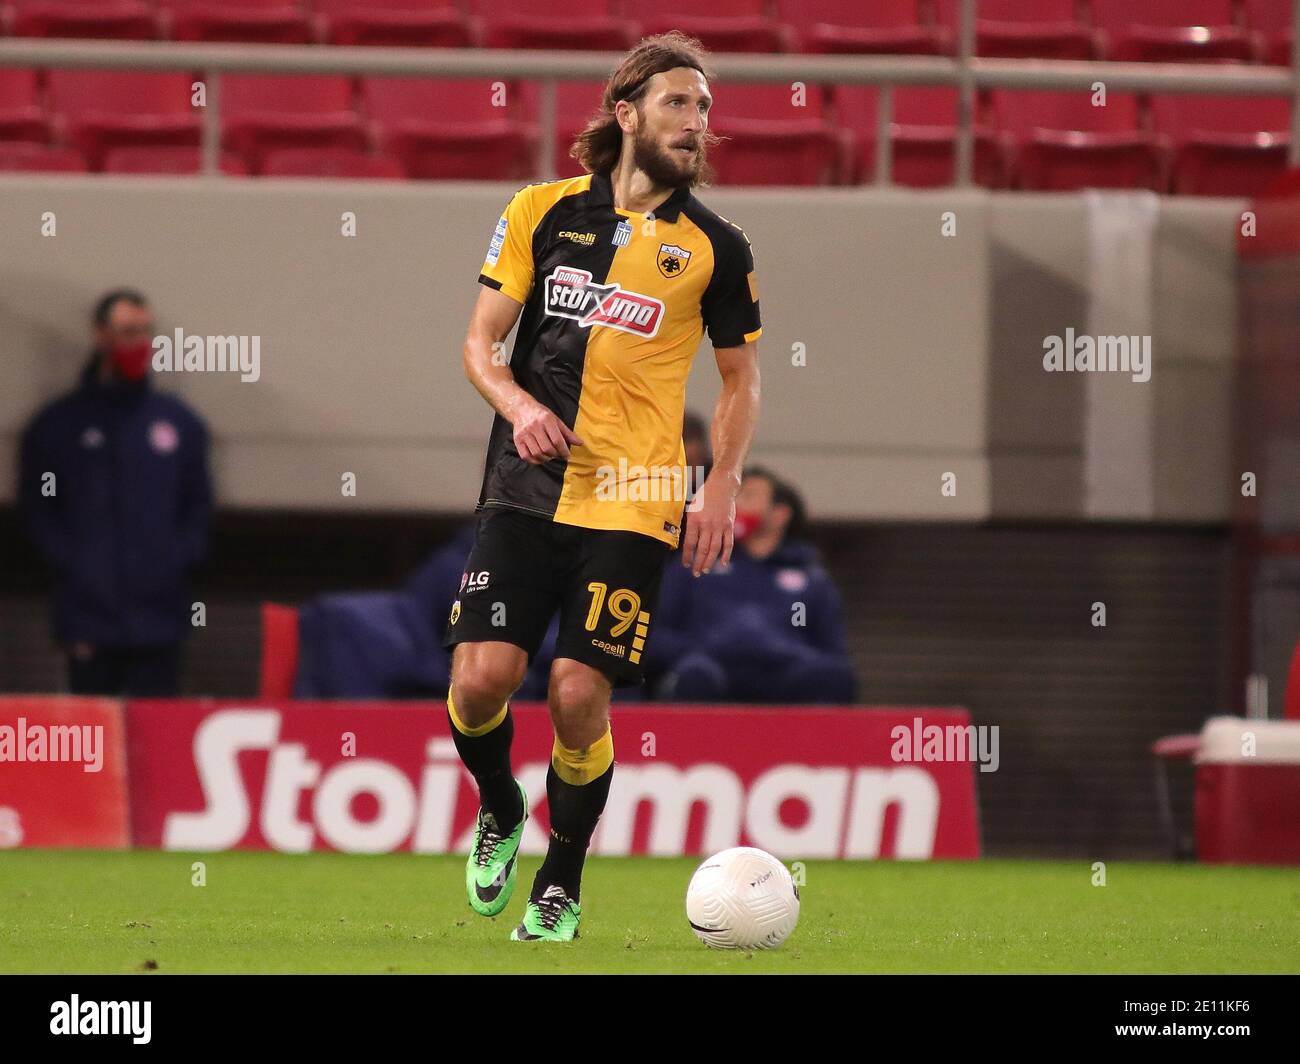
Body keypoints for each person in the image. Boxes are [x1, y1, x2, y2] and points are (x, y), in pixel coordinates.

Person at [443, 32, 762, 941]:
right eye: (677, 103)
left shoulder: (717, 246)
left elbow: (740, 379)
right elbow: (479, 345)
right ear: (626, 114)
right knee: (478, 686)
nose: (696, 123)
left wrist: (722, 484)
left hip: (640, 491)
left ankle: (563, 882)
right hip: (528, 482)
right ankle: (501, 806)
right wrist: (514, 403)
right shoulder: (539, 210)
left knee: (579, 696)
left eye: (704, 107)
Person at [18, 289, 212, 696]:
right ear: (101, 335)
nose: (137, 343)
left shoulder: (177, 424)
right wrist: (75, 563)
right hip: (88, 616)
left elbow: (197, 508)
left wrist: (174, 560)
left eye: (145, 332)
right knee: (93, 736)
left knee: (157, 734)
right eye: (127, 332)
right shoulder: (58, 426)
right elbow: (38, 510)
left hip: (160, 618)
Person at [647, 467, 857, 704]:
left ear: (780, 513)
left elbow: (832, 650)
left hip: (783, 673)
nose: (735, 505)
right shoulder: (696, 564)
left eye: (748, 496)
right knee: (694, 676)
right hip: (713, 668)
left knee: (831, 677)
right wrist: (697, 651)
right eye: (733, 497)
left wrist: (788, 651)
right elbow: (656, 635)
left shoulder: (811, 580)